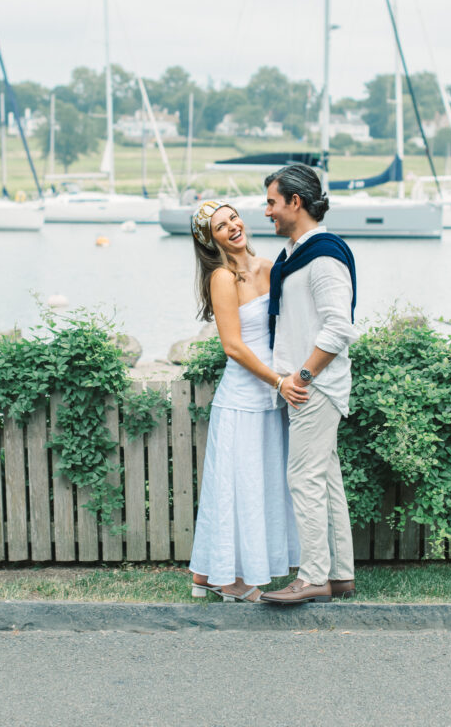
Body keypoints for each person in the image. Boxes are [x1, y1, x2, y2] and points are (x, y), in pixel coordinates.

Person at [188, 199, 300, 602]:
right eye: (221, 226)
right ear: (211, 240)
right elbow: (233, 346)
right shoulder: (222, 277)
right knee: (234, 488)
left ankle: (204, 573)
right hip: (242, 398)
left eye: (233, 217)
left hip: (273, 397)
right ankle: (227, 581)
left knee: (259, 486)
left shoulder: (271, 267)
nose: (232, 226)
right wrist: (278, 380)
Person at [259, 164, 358, 605]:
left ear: (295, 203)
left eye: (272, 202)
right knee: (325, 478)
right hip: (307, 386)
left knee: (303, 478)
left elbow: (339, 328)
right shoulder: (295, 254)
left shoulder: (324, 255)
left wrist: (300, 375)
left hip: (313, 386)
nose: (267, 212)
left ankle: (312, 576)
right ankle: (338, 575)